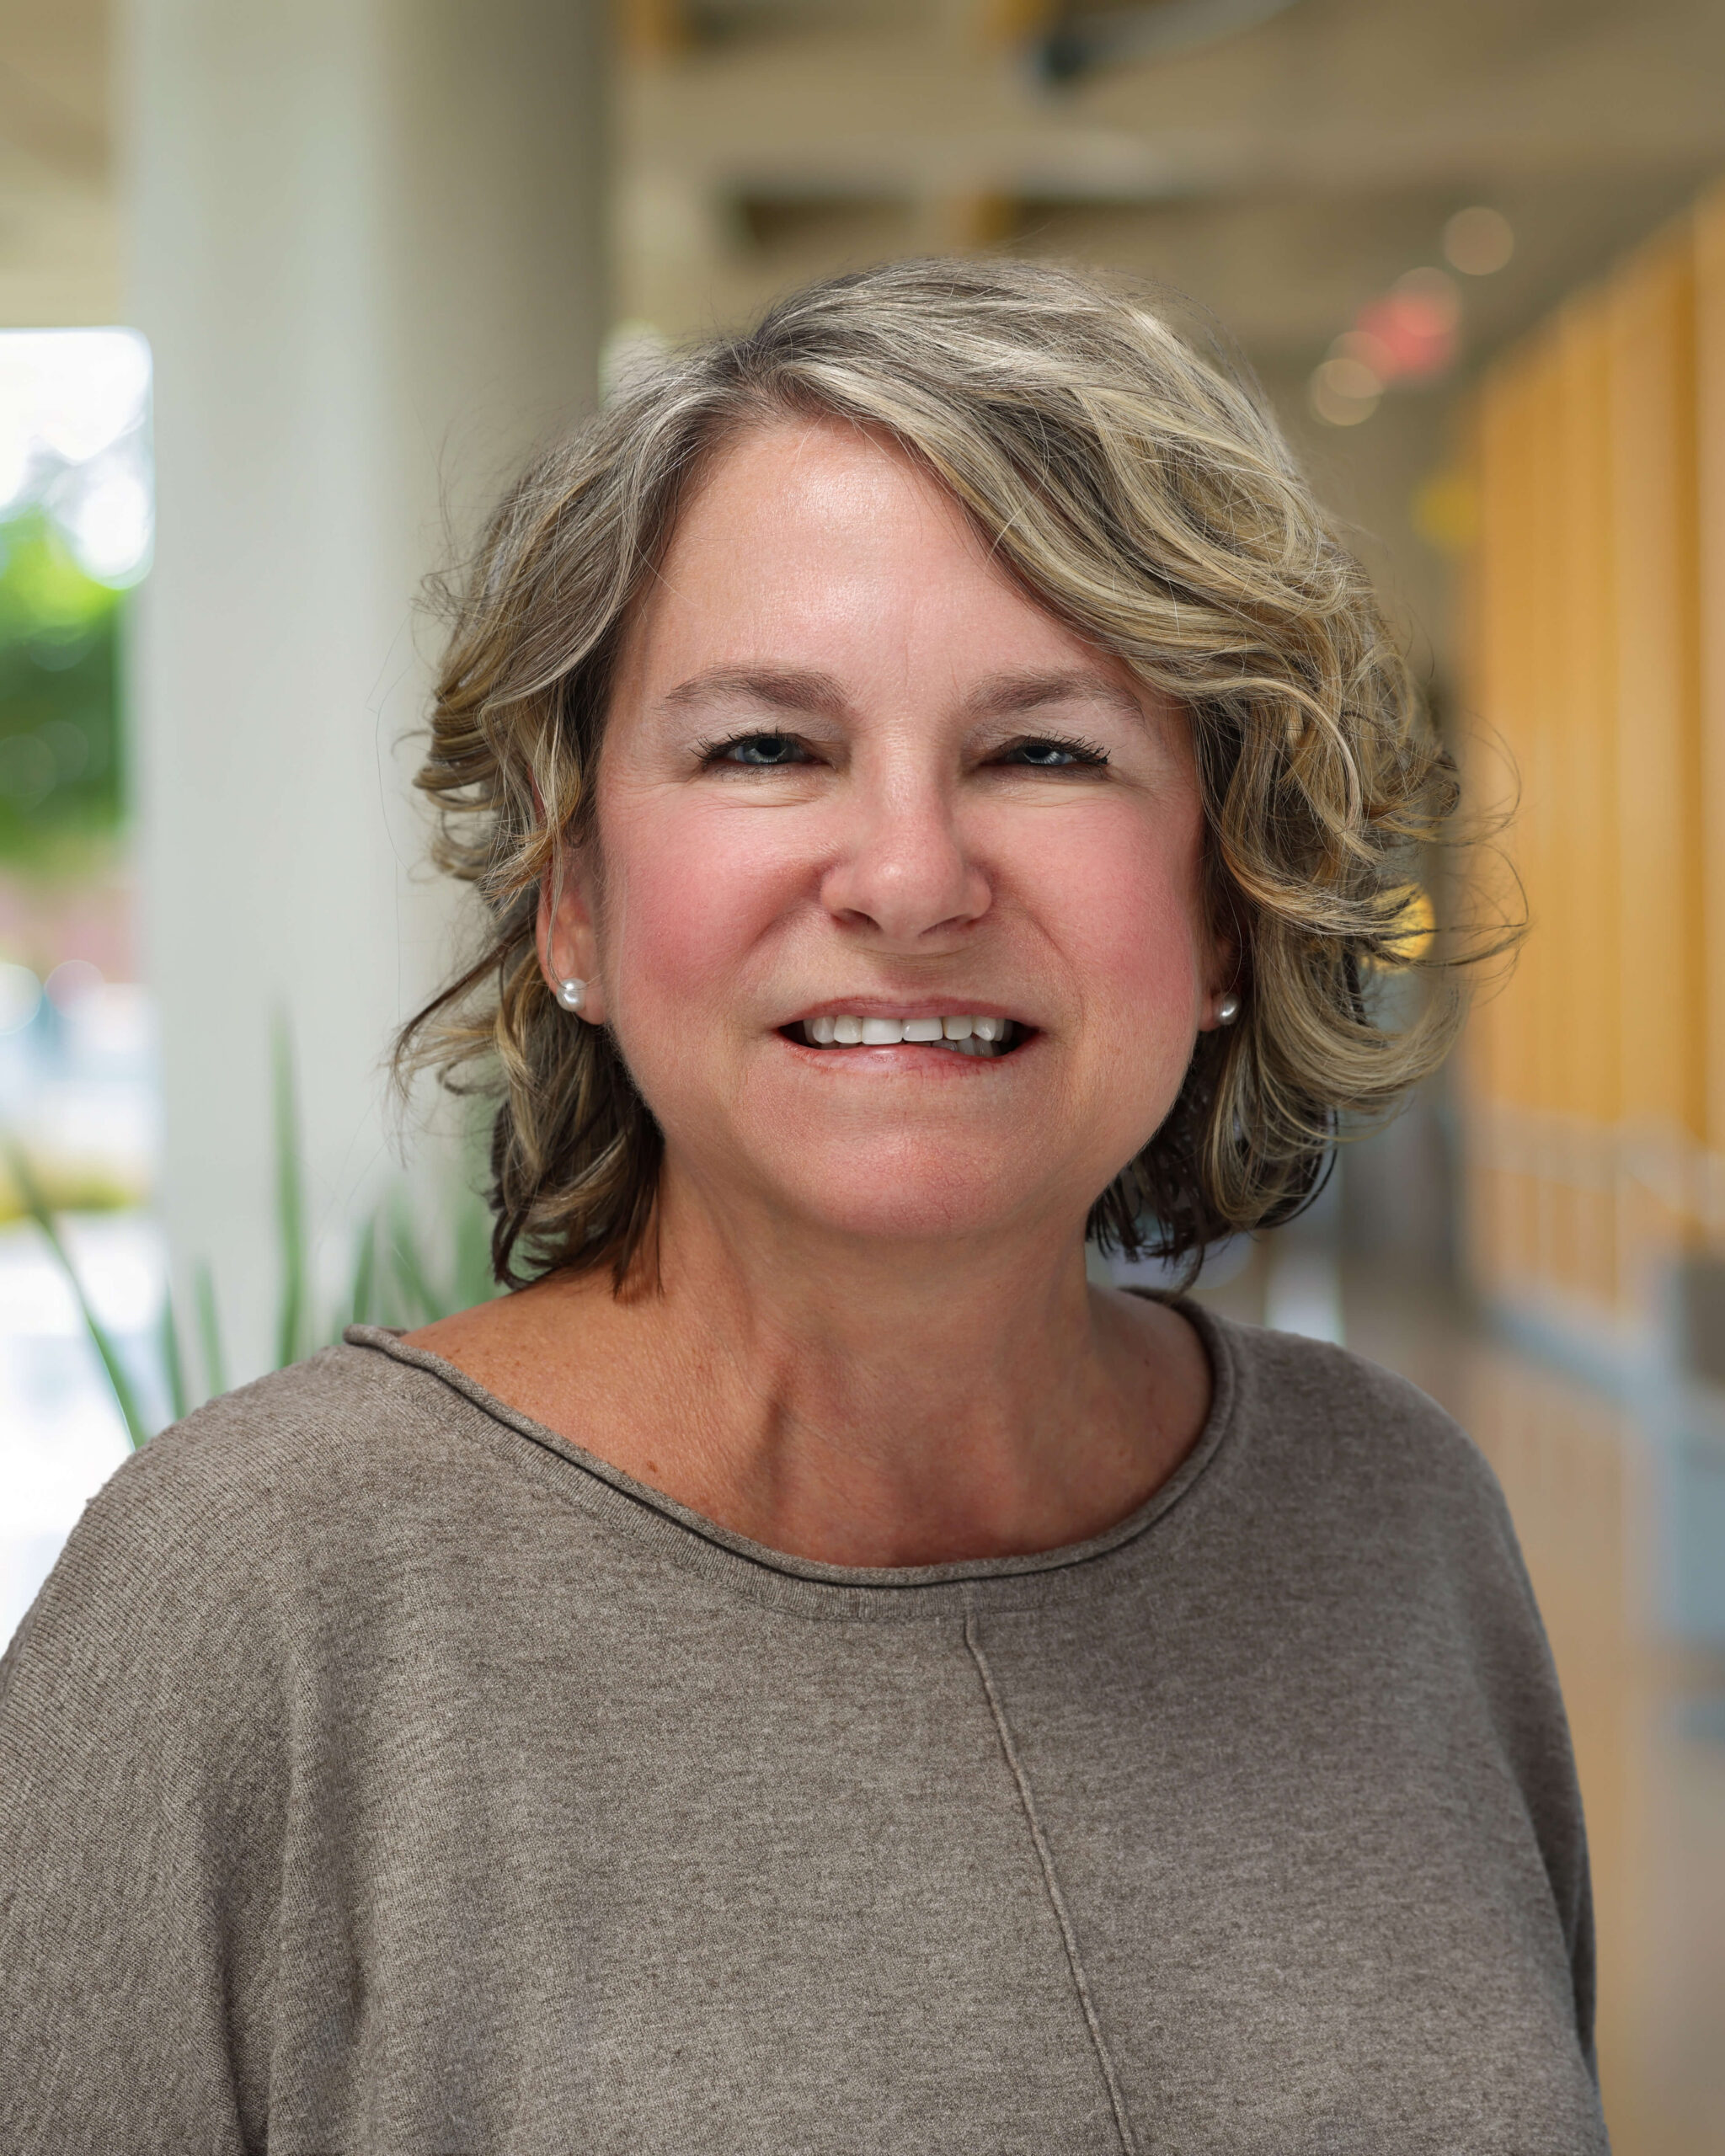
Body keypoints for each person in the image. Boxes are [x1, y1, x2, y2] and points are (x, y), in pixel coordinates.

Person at [0, 259, 1603, 2154]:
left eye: (1046, 749)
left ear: (1225, 904)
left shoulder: (1395, 1521)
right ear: (573, 896)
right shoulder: (253, 1600)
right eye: (765, 746)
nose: (910, 878)